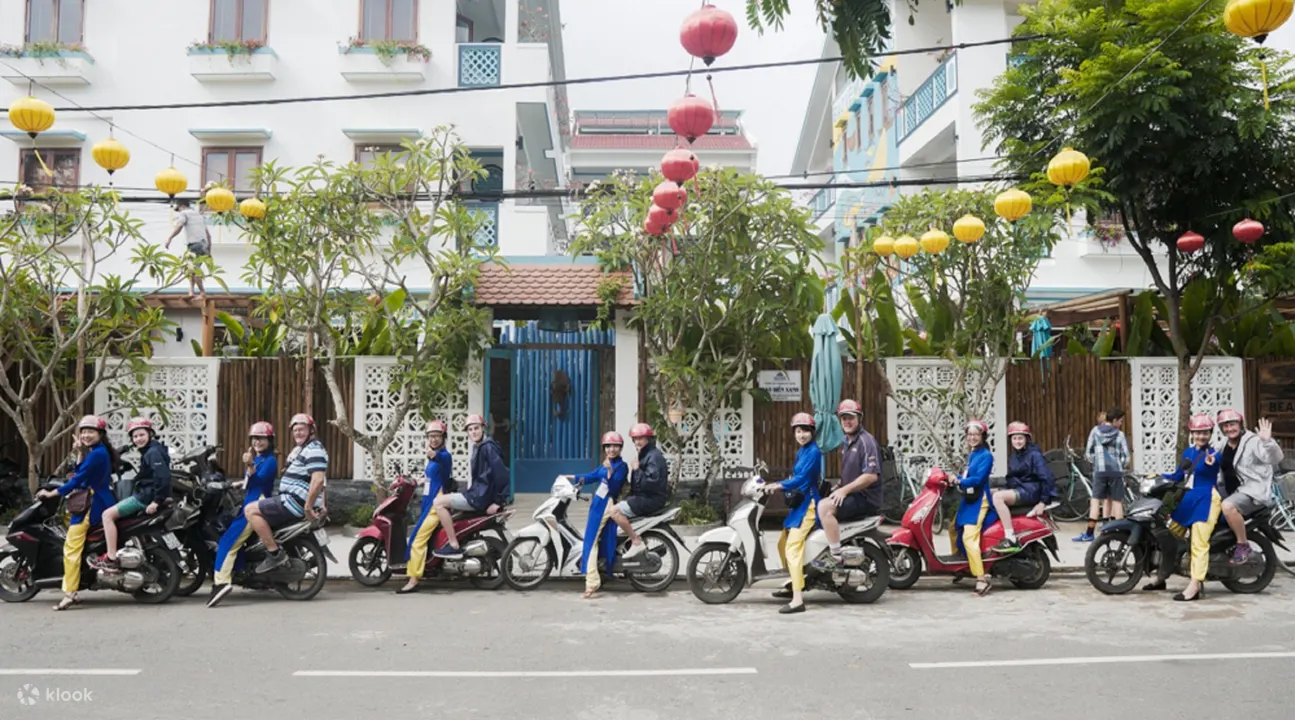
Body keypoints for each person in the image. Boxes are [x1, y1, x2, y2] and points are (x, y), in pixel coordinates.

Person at [35, 415, 118, 611]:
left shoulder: (97, 454)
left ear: (100, 434)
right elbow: (81, 472)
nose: (86, 435)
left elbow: (76, 480)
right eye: (83, 432)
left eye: (91, 431)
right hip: (99, 498)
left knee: (71, 546)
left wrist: (51, 493)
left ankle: (70, 592)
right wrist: (80, 452)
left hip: (92, 503)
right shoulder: (97, 451)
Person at [1143, 413, 1222, 601]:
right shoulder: (1188, 453)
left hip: (1207, 498)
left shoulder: (1213, 454)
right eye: (1198, 433)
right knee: (1167, 535)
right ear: (1192, 434)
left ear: (1210, 434)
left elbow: (1213, 465)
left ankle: (1194, 585)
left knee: (1199, 541)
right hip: (1189, 498)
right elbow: (1178, 475)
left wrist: (1211, 464)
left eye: (1205, 433)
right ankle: (1162, 577)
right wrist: (1156, 477)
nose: (1201, 436)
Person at [208, 421, 279, 608]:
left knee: (228, 542)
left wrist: (249, 466)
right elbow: (251, 481)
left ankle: (221, 582)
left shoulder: (270, 461)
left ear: (270, 441)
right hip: (249, 501)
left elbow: (260, 481)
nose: (258, 442)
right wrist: (238, 483)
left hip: (254, 507)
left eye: (262, 438)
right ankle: (239, 572)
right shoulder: (259, 459)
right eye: (255, 438)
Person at [246, 413, 328, 574]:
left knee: (250, 510)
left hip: (294, 502)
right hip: (292, 499)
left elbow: (318, 480)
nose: (298, 433)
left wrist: (308, 506)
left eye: (302, 429)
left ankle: (274, 554)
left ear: (311, 430)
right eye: (295, 430)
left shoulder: (314, 449)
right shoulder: (303, 449)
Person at [89, 418, 172, 571]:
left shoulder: (152, 452)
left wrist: (156, 501)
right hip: (146, 494)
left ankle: (111, 557)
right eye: (135, 436)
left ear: (150, 434)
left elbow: (162, 477)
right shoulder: (153, 449)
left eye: (141, 435)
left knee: (107, 515)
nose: (138, 439)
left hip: (144, 497)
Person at [763, 412, 822, 614]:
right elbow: (795, 475)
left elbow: (801, 480)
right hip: (799, 504)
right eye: (798, 431)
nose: (802, 434)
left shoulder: (814, 452)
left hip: (809, 505)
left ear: (812, 433)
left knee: (792, 548)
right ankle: (794, 583)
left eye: (805, 430)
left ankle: (798, 600)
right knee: (782, 543)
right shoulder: (802, 451)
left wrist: (778, 485)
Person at [813, 399, 882, 570]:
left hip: (866, 497)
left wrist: (844, 490)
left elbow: (871, 476)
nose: (847, 422)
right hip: (854, 493)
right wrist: (840, 487)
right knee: (816, 504)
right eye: (843, 418)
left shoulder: (867, 441)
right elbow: (853, 473)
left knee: (824, 508)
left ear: (860, 419)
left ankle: (836, 556)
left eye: (851, 417)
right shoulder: (846, 441)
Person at [432, 415, 509, 558]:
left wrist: (499, 501)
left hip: (480, 498)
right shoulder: (478, 447)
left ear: (483, 428)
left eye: (476, 428)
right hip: (476, 493)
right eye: (470, 429)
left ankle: (454, 545)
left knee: (438, 503)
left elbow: (502, 475)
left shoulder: (488, 448)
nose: (474, 432)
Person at [1215, 410, 1282, 565]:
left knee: (1228, 506)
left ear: (1240, 424)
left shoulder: (1253, 441)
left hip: (1252, 491)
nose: (1229, 429)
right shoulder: (1224, 444)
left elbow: (1274, 458)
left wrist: (1268, 441)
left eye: (1232, 424)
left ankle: (1243, 545)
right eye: (1225, 426)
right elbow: (1210, 457)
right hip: (1232, 492)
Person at [569, 431, 630, 599]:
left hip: (606, 503)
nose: (611, 449)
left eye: (615, 446)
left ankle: (592, 582)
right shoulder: (605, 464)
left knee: (591, 541)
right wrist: (570, 477)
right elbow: (591, 476)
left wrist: (610, 472)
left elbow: (614, 486)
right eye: (608, 446)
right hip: (598, 503)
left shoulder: (621, 466)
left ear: (620, 448)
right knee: (593, 540)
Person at [398, 420, 454, 595]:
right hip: (428, 502)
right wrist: (417, 481)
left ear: (443, 438)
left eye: (437, 436)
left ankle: (414, 578)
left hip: (435, 505)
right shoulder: (433, 456)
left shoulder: (443, 455)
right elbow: (431, 477)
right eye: (431, 436)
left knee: (417, 540)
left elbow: (443, 461)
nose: (434, 439)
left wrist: (433, 455)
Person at [990, 422, 1056, 553]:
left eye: (1020, 438)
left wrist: (1043, 501)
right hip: (1021, 488)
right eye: (1014, 438)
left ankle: (1010, 538)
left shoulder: (1034, 455)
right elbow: (1013, 478)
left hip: (1030, 491)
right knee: (990, 493)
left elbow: (1046, 477)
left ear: (1027, 438)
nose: (1017, 441)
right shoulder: (1015, 455)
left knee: (998, 498)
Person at [613, 423, 671, 560]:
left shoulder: (654, 457)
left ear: (648, 439)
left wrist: (637, 470)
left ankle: (636, 540)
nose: (638, 442)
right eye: (635, 439)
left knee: (614, 511)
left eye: (641, 438)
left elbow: (650, 484)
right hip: (644, 498)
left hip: (651, 499)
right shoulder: (646, 454)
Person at [953, 419, 997, 596]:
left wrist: (960, 481)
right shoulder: (973, 454)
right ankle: (964, 565)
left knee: (969, 537)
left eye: (975, 435)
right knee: (953, 528)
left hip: (980, 500)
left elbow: (978, 479)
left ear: (982, 436)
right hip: (970, 498)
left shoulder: (986, 455)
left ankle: (981, 578)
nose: (972, 438)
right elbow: (966, 475)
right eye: (969, 435)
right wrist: (952, 477)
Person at [1076, 407, 1130, 542]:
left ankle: (1089, 533)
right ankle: (1120, 534)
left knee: (1096, 501)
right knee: (1117, 502)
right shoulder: (1120, 435)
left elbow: (1088, 453)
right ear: (1115, 420)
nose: (1121, 424)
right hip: (1115, 472)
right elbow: (1126, 457)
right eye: (1121, 421)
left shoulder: (1095, 431)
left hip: (1100, 472)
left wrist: (1097, 462)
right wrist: (1120, 465)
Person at [164, 198, 211, 299]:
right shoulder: (199, 215)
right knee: (191, 268)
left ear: (181, 206)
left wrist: (169, 238)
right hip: (204, 245)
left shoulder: (184, 213)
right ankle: (191, 291)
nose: (179, 211)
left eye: (179, 209)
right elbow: (208, 235)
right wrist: (209, 251)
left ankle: (202, 293)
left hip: (195, 244)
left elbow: (180, 225)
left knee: (194, 269)